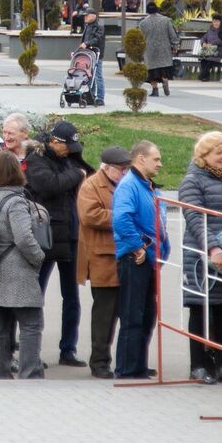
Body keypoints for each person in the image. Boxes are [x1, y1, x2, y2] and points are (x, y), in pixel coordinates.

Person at [0, 151, 49, 379]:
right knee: (31, 324)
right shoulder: (15, 202)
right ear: (17, 172)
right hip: (18, 273)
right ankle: (30, 373)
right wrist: (38, 257)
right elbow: (23, 238)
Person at [177, 131, 222, 385]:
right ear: (204, 156)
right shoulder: (191, 181)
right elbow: (195, 218)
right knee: (200, 308)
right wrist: (213, 249)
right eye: (218, 153)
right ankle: (198, 364)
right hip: (201, 254)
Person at [25, 119, 90, 368]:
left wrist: (78, 172)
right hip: (45, 236)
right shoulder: (36, 159)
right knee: (36, 295)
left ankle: (68, 349)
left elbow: (89, 175)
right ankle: (32, 352)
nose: (71, 151)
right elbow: (49, 185)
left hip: (71, 235)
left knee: (71, 296)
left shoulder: (70, 158)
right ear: (54, 142)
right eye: (67, 147)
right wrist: (76, 174)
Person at [111, 141, 169, 379]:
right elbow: (121, 219)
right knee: (133, 314)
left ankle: (138, 364)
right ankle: (126, 368)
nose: (160, 163)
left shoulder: (146, 185)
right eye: (156, 159)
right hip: (136, 259)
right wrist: (137, 247)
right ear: (141, 159)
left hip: (150, 258)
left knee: (146, 315)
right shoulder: (129, 186)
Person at [77, 146, 127, 378]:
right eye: (121, 169)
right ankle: (99, 362)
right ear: (106, 167)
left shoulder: (122, 184)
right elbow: (90, 215)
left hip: (121, 257)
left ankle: (127, 361)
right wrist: (123, 215)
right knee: (104, 316)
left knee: (124, 313)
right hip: (102, 260)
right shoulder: (91, 185)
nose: (125, 173)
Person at [139, 2, 178, 96]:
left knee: (152, 72)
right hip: (164, 49)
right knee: (164, 69)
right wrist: (175, 45)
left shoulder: (143, 23)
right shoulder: (166, 20)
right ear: (157, 9)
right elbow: (172, 35)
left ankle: (155, 89)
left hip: (150, 51)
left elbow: (140, 37)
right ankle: (165, 79)